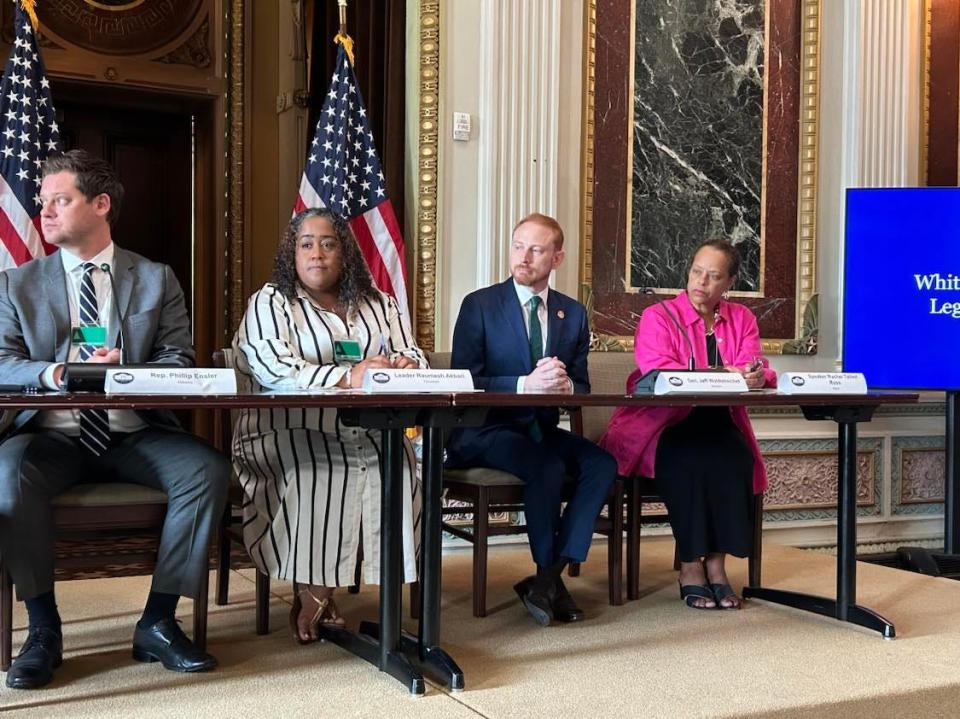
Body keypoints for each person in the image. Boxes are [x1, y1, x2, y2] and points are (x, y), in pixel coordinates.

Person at [0, 150, 229, 689]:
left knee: (207, 470)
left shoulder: (155, 277)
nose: (46, 212)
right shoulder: (17, 284)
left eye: (60, 200)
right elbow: (4, 362)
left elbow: (179, 359)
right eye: (42, 202)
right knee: (8, 473)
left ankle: (157, 620)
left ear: (100, 204)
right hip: (49, 436)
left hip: (133, 433)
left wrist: (127, 372)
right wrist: (59, 371)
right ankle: (42, 628)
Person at [232, 207, 424, 644]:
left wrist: (405, 364)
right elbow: (273, 368)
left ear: (345, 252)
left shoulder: (380, 303)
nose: (316, 253)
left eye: (328, 243)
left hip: (369, 430)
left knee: (398, 469)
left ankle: (388, 599)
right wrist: (349, 376)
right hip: (285, 431)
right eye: (306, 244)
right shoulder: (272, 301)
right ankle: (316, 589)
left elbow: (414, 353)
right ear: (292, 254)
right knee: (324, 473)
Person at [446, 213, 617, 627]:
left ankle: (545, 578)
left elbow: (582, 386)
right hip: (482, 430)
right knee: (547, 465)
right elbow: (463, 381)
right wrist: (525, 385)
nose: (524, 257)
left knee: (602, 464)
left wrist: (565, 388)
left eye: (537, 249)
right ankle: (549, 578)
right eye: (518, 245)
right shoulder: (480, 305)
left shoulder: (572, 315)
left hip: (538, 431)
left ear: (556, 258)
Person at [600, 239, 775, 610]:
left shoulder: (742, 319)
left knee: (735, 459)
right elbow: (658, 370)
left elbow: (756, 365)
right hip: (662, 425)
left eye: (713, 276)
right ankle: (691, 566)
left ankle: (717, 565)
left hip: (719, 420)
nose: (701, 282)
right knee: (692, 461)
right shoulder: (658, 316)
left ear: (729, 282)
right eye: (697, 271)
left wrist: (758, 376)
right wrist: (725, 372)